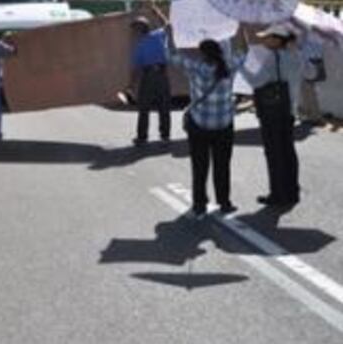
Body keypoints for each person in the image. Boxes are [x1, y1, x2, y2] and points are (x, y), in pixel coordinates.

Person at [171, 39, 245, 217]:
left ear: (202, 53)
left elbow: (172, 55)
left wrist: (169, 34)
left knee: (199, 166)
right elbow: (245, 52)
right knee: (222, 165)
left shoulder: (195, 67)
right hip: (224, 124)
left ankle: (199, 204)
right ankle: (224, 202)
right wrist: (242, 31)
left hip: (199, 125)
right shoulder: (229, 66)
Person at [239, 24, 304, 207]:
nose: (264, 40)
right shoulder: (295, 56)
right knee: (288, 152)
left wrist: (241, 67)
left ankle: (277, 194)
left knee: (274, 154)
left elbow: (256, 81)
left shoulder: (272, 58)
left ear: (277, 40)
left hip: (272, 112)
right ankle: (292, 192)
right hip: (289, 110)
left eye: (268, 37)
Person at [129, 14, 171, 146]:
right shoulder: (158, 35)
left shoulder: (140, 45)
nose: (133, 32)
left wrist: (131, 85)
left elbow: (136, 69)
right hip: (162, 75)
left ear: (139, 29)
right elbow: (168, 24)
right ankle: (165, 136)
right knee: (164, 106)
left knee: (144, 108)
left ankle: (142, 137)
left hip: (148, 77)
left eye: (134, 29)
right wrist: (156, 11)